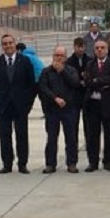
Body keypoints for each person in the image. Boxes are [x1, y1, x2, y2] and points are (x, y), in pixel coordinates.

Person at [0, 33, 37, 174]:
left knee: (22, 135)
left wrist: (27, 104)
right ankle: (7, 164)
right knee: (4, 135)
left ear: (15, 44)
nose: (8, 46)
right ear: (2, 46)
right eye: (5, 43)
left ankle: (22, 164)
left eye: (10, 43)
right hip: (4, 105)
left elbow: (31, 84)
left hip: (20, 105)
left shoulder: (25, 61)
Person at [37, 45, 83, 173]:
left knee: (71, 138)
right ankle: (50, 164)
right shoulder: (46, 71)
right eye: (56, 55)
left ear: (65, 58)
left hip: (69, 109)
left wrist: (62, 71)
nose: (58, 58)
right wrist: (55, 98)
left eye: (61, 56)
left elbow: (75, 83)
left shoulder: (71, 70)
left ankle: (72, 163)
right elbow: (43, 87)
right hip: (52, 110)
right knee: (51, 137)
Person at [81, 39, 110, 172]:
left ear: (107, 49)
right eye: (97, 48)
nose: (100, 50)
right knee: (92, 135)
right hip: (92, 104)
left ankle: (108, 161)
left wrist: (97, 80)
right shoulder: (89, 64)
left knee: (109, 133)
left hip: (108, 104)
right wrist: (103, 82)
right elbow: (87, 81)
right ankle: (93, 162)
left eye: (102, 48)